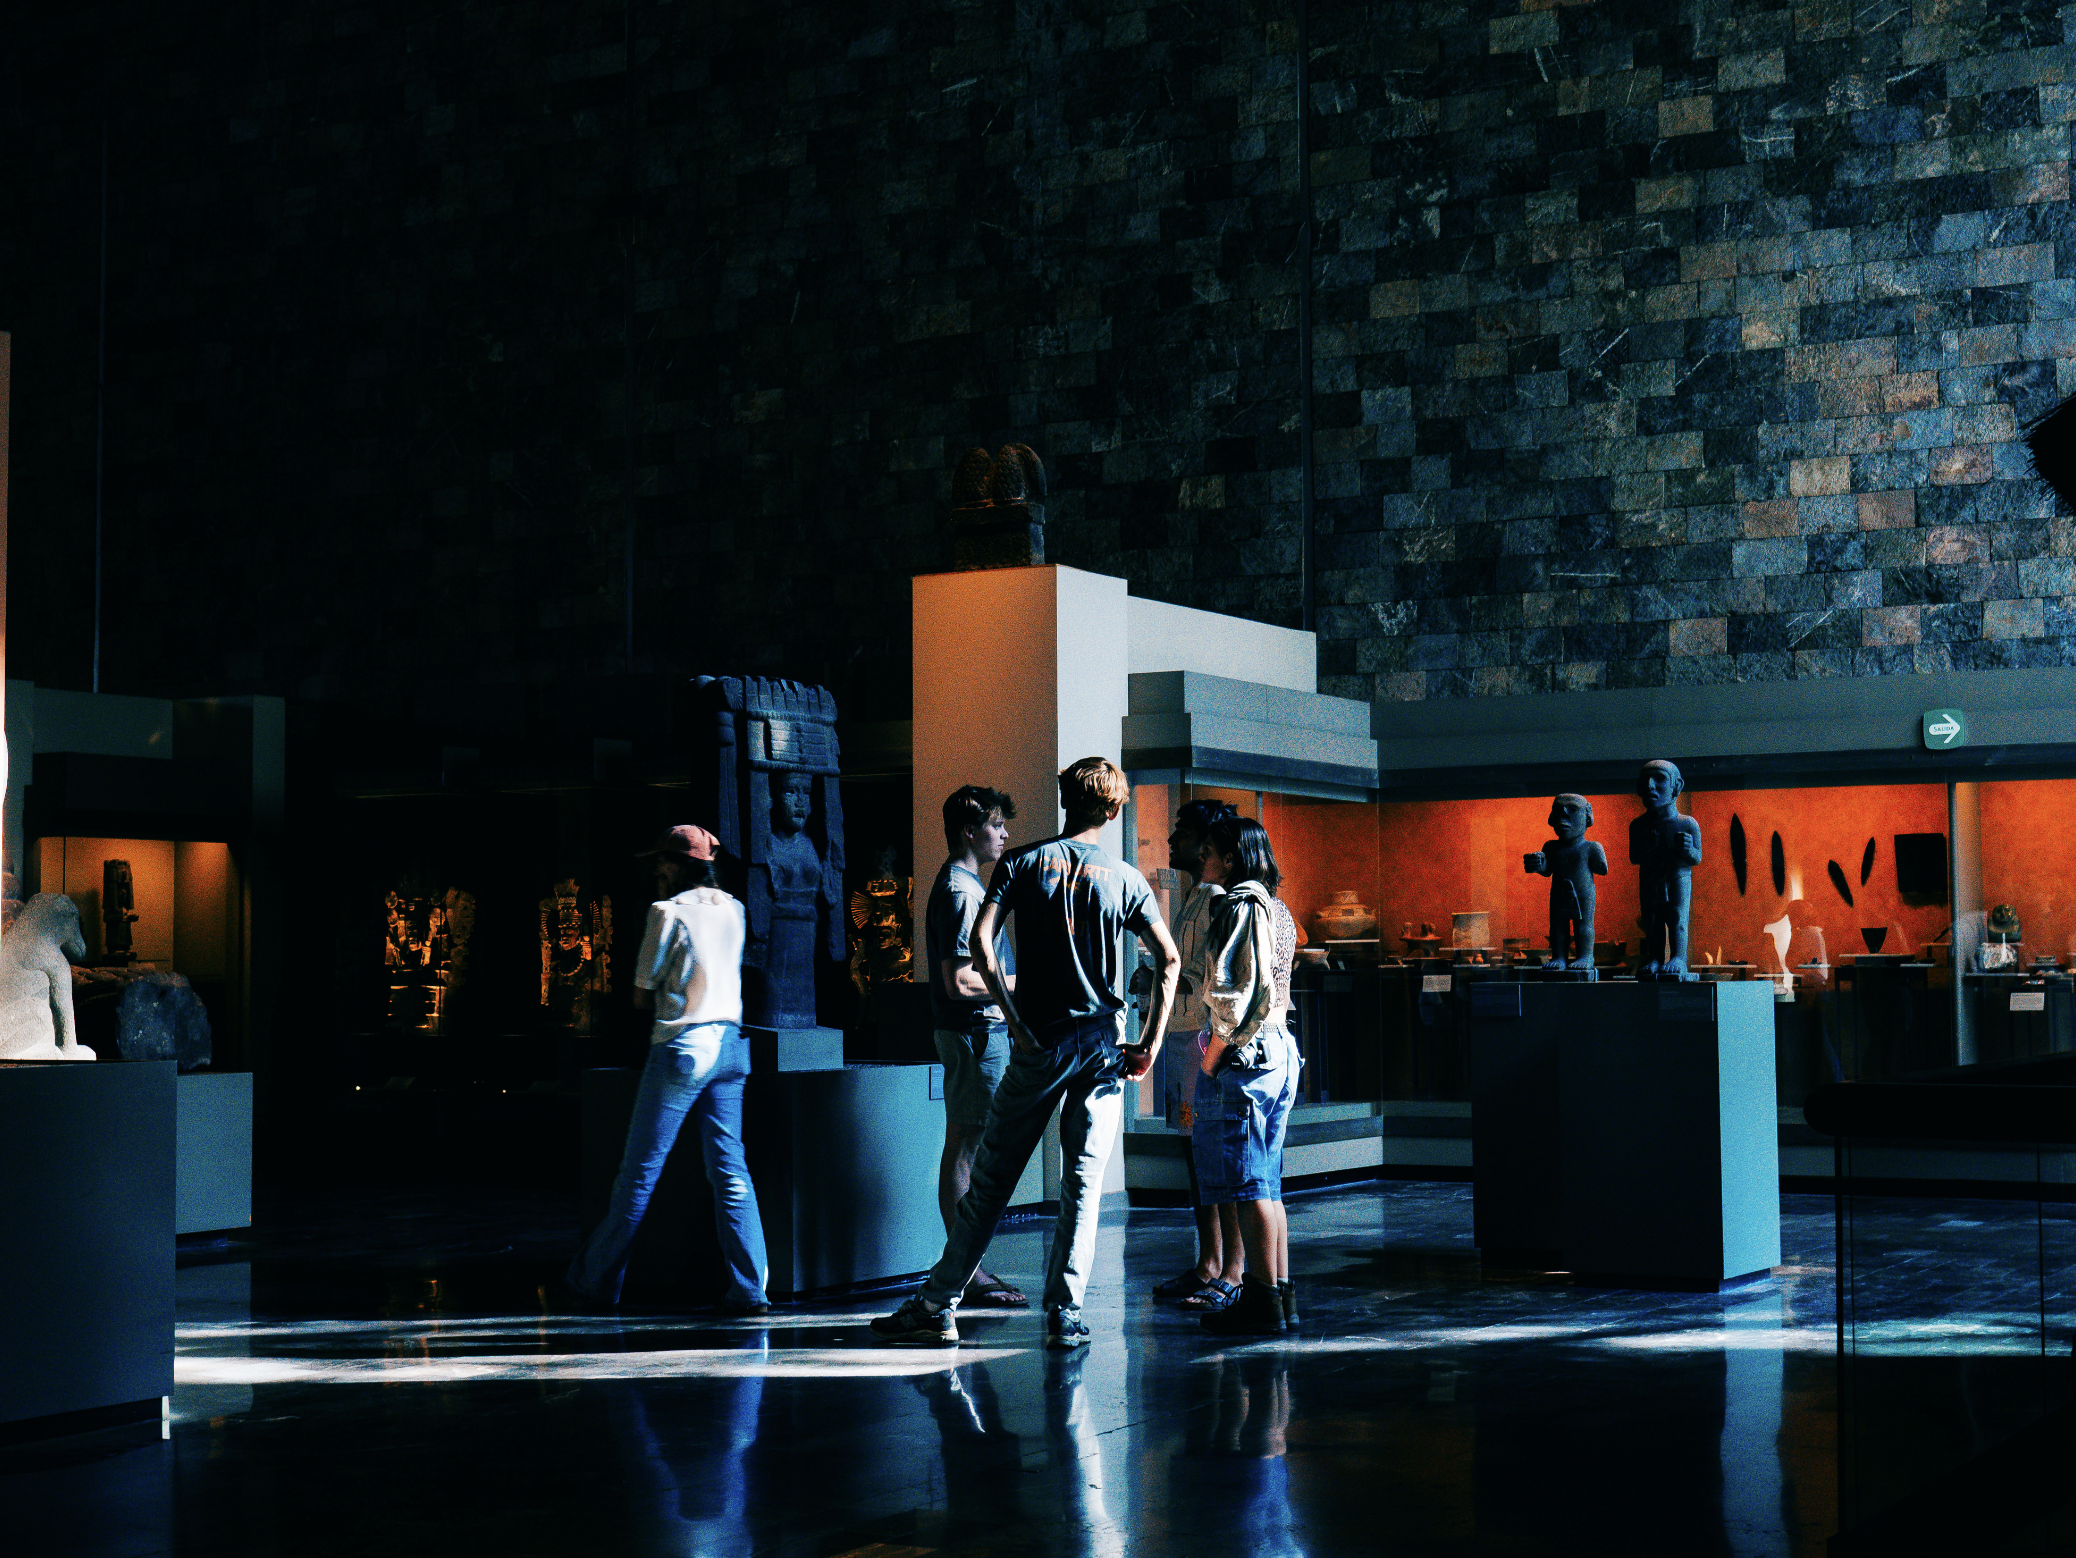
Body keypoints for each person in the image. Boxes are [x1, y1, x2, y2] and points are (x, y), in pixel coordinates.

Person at [872, 757, 1181, 1348]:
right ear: (1114, 810)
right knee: (1084, 1185)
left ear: (1065, 799)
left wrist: (1015, 1022)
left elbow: (982, 946)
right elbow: (1167, 961)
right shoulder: (1125, 879)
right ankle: (1064, 1314)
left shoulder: (1021, 862)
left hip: (1038, 1043)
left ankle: (938, 1303)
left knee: (990, 1181)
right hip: (1098, 1046)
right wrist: (1147, 1045)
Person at [565, 824, 770, 1313]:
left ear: (680, 865)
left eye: (663, 861)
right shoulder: (735, 909)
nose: (658, 869)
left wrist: (667, 989)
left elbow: (640, 992)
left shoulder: (665, 912)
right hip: (731, 1046)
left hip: (682, 1047)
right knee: (731, 1171)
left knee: (638, 1175)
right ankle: (750, 1289)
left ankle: (593, 1281)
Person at [1191, 815, 1300, 1335]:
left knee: (1251, 1184)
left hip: (1248, 1056)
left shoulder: (1238, 904)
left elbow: (1235, 996)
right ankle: (1278, 1295)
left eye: (1209, 850)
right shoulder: (1277, 907)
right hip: (1280, 1050)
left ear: (1230, 858)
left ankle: (1261, 1301)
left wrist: (1211, 1058)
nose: (1201, 857)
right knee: (1269, 1184)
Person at [925, 783, 1027, 1309]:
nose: (1005, 834)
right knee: (967, 1150)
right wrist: (1017, 983)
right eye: (996, 825)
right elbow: (960, 981)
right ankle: (967, 1269)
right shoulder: (963, 893)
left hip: (974, 1033)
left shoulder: (958, 886)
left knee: (965, 1147)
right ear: (970, 830)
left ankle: (967, 1266)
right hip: (975, 1033)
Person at [1146, 798, 1247, 1311]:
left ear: (1206, 844)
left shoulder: (1216, 900)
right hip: (1186, 1037)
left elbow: (1220, 978)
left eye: (1181, 831)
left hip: (1203, 1038)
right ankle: (1210, 1259)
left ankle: (1231, 1264)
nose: (1171, 839)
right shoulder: (1197, 896)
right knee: (1194, 1153)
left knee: (1211, 1153)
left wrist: (1170, 976)